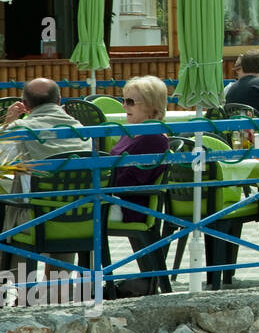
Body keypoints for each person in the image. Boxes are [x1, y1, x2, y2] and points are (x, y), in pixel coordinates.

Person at [0, 78, 93, 266]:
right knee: (61, 199)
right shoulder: (81, 129)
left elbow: (2, 160)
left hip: (36, 216)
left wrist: (7, 123)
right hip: (81, 215)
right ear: (59, 101)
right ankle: (59, 290)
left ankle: (22, 287)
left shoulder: (21, 129)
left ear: (25, 105)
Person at [106, 76, 171, 296]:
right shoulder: (136, 131)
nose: (124, 106)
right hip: (115, 199)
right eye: (123, 100)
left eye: (131, 102)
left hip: (126, 205)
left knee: (67, 213)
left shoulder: (152, 137)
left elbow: (130, 178)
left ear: (152, 105)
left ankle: (83, 286)